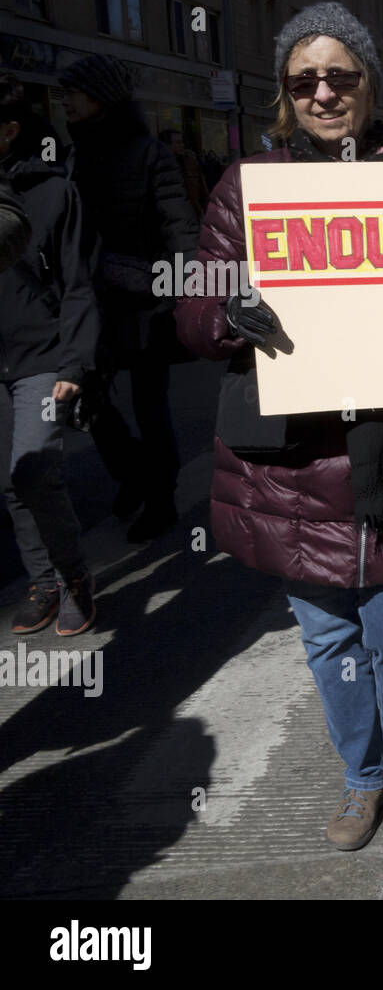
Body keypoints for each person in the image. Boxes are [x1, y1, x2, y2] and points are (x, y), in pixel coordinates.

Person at [175, 2, 383, 852]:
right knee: (330, 634)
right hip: (292, 465)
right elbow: (192, 319)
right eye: (306, 80)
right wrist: (234, 309)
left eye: (342, 76)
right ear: (285, 95)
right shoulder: (247, 188)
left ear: (371, 85)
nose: (324, 93)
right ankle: (362, 774)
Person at [60, 55, 197, 542]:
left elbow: (180, 227)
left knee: (149, 405)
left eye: (72, 92)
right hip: (90, 303)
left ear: (100, 96)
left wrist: (187, 293)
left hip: (145, 303)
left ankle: (161, 498)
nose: (65, 102)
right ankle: (134, 474)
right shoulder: (73, 154)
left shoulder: (148, 153)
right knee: (87, 400)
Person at [0, 73, 99, 637]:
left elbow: (78, 283)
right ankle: (42, 580)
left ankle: (73, 577)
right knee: (9, 481)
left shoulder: (52, 190)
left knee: (35, 471)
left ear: (10, 130)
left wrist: (73, 363)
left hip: (42, 357)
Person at [160, 130, 209, 218]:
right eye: (178, 143)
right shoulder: (161, 166)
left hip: (192, 212)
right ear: (167, 145)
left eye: (182, 142)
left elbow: (201, 187)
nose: (182, 145)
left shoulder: (189, 162)